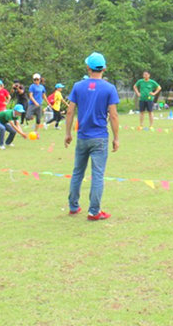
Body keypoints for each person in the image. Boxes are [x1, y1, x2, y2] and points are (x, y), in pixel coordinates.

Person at [64, 52, 120, 221]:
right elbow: (114, 115)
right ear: (104, 68)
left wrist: (68, 133)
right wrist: (116, 138)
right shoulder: (109, 88)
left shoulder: (78, 86)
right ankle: (94, 211)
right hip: (100, 138)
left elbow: (70, 111)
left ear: (88, 67)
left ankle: (73, 206)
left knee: (77, 173)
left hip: (82, 137)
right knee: (97, 175)